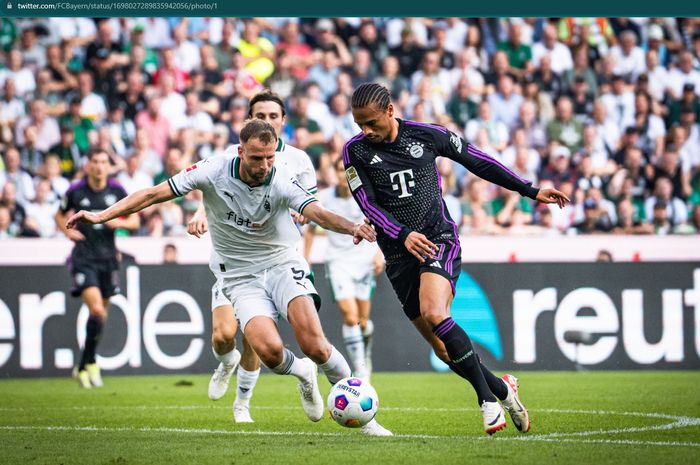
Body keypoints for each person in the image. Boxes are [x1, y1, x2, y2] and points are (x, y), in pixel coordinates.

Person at [66, 119, 392, 436]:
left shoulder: (281, 179)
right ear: (240, 151)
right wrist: (101, 216)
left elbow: (316, 212)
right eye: (256, 158)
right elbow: (154, 194)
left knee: (316, 346)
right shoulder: (212, 170)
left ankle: (366, 419)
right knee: (270, 352)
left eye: (269, 157)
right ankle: (303, 374)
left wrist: (352, 226)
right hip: (240, 276)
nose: (264, 165)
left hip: (281, 262)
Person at [345, 83, 569, 435]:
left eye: (371, 122)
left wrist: (529, 189)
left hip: (438, 239)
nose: (366, 131)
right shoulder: (354, 151)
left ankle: (486, 401)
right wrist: (402, 234)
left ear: (390, 110)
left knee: (436, 313)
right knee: (443, 350)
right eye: (360, 125)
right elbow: (367, 204)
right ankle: (501, 388)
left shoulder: (427, 135)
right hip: (398, 254)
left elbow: (478, 160)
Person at [187, 89, 317, 424]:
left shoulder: (300, 160)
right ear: (249, 119)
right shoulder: (236, 153)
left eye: (274, 116)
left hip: (275, 259)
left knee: (255, 337)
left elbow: (311, 209)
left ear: (283, 121)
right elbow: (213, 187)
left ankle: (242, 403)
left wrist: (305, 218)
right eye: (261, 115)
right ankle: (226, 361)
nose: (268, 121)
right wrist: (201, 211)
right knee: (222, 335)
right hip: (233, 259)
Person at [54, 149, 140, 388]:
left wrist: (118, 223)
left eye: (104, 162)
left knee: (101, 316)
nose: (100, 166)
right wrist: (68, 232)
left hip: (109, 259)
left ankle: (85, 363)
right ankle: (88, 364)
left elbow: (134, 220)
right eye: (96, 162)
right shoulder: (75, 191)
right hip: (84, 258)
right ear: (88, 165)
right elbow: (59, 215)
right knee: (97, 312)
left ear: (108, 167)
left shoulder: (117, 191)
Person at [304, 158, 384, 379]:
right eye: (338, 170)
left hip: (365, 260)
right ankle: (360, 368)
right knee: (350, 317)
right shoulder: (324, 198)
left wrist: (379, 254)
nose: (342, 175)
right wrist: (305, 260)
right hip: (338, 261)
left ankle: (364, 351)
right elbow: (311, 230)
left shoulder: (365, 197)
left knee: (363, 321)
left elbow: (382, 225)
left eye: (345, 171)